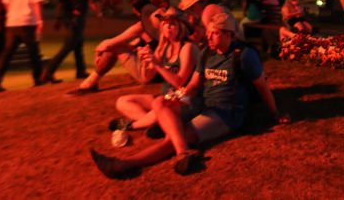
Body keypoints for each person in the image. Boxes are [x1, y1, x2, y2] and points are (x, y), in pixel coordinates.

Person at [90, 12, 288, 178]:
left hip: (227, 112)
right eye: (208, 33)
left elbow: (262, 86)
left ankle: (124, 165)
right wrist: (181, 96)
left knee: (178, 137)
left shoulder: (243, 55)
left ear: (229, 34)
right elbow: (194, 83)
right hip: (204, 103)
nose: (208, 38)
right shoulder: (207, 53)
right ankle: (182, 151)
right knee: (161, 102)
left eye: (214, 34)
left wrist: (275, 113)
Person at [108, 8, 200, 135]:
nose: (168, 27)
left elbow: (180, 82)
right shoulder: (163, 47)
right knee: (122, 102)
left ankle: (134, 125)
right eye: (165, 23)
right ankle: (156, 122)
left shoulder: (188, 48)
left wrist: (157, 65)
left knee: (158, 108)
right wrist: (146, 60)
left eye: (172, 24)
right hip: (165, 97)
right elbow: (146, 78)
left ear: (181, 26)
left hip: (184, 99)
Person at [73, 0, 163, 94]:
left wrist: (98, 54)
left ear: (134, 10)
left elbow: (106, 44)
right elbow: (137, 45)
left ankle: (90, 83)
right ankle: (91, 82)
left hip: (152, 74)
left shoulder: (141, 26)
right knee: (118, 46)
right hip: (161, 72)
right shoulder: (158, 22)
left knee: (114, 47)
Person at [41, 0, 100, 83]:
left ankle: (80, 70)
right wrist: (98, 12)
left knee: (78, 42)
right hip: (78, 15)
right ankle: (48, 72)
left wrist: (59, 17)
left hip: (67, 15)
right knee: (69, 44)